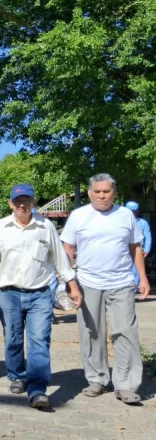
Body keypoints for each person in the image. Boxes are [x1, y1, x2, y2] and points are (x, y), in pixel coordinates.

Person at [0, 184, 81, 409]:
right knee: (13, 339)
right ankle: (16, 375)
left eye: (26, 200)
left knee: (39, 340)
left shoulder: (45, 226)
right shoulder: (0, 227)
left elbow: (60, 259)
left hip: (40, 295)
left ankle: (37, 388)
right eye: (17, 201)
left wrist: (72, 286)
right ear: (10, 204)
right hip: (9, 294)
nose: (22, 204)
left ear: (33, 202)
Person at [61, 173, 151, 404]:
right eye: (97, 192)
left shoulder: (125, 216)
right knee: (91, 333)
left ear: (114, 192)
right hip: (88, 283)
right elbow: (67, 249)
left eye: (106, 191)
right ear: (90, 193)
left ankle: (127, 385)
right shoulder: (78, 216)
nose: (102, 196)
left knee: (126, 332)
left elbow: (135, 248)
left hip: (121, 282)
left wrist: (142, 278)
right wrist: (69, 283)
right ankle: (97, 379)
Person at [125, 201, 151, 288]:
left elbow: (148, 237)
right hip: (124, 251)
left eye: (134, 211)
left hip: (138, 251)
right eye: (130, 211)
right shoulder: (120, 222)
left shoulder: (143, 223)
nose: (132, 213)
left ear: (137, 211)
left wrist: (146, 249)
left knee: (136, 272)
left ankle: (133, 291)